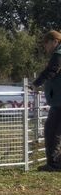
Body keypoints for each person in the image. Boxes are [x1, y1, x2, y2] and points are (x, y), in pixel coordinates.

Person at [31, 30, 61, 172]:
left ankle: (54, 164)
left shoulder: (58, 54)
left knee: (51, 130)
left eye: (46, 44)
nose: (45, 47)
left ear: (55, 41)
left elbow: (52, 70)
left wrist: (36, 83)